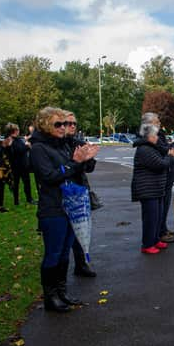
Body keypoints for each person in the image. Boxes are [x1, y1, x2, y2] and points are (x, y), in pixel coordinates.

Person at [30, 107, 99, 313]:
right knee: (53, 253)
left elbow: (78, 170)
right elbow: (50, 176)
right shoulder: (38, 148)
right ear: (45, 125)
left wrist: (86, 159)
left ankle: (62, 292)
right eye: (57, 124)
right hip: (53, 208)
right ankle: (50, 297)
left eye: (65, 124)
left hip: (70, 206)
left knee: (64, 254)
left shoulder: (63, 145)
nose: (63, 128)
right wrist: (74, 163)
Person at [131, 123, 174, 254]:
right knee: (150, 218)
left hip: (155, 188)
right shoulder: (144, 149)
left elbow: (164, 155)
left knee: (157, 217)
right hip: (147, 190)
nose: (157, 137)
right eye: (154, 135)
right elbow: (161, 164)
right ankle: (147, 244)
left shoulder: (152, 147)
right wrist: (171, 155)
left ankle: (155, 239)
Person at [140, 112, 174, 243]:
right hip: (160, 177)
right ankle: (160, 233)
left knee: (163, 206)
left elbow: (167, 149)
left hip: (166, 175)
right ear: (149, 124)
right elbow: (166, 151)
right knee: (160, 207)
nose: (159, 123)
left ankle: (162, 229)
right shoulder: (151, 138)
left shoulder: (158, 135)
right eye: (156, 122)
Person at [64, 111, 98, 278]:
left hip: (79, 189)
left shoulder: (78, 142)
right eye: (68, 123)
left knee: (81, 229)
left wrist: (89, 158)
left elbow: (89, 169)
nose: (72, 126)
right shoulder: (56, 145)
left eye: (74, 123)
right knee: (64, 235)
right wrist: (76, 161)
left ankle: (81, 263)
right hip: (61, 192)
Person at [4, 123, 36, 206]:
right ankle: (17, 200)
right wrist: (27, 146)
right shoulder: (10, 140)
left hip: (22, 165)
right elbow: (18, 150)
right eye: (17, 129)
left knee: (26, 183)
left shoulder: (17, 139)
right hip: (17, 165)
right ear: (14, 131)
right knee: (17, 183)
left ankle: (28, 199)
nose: (19, 131)